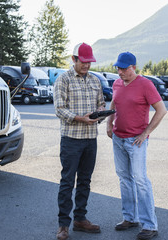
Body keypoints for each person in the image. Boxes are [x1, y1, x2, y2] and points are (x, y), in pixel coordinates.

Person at [106, 52, 167, 240]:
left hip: (136, 140)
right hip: (118, 138)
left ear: (134, 67)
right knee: (124, 178)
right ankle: (130, 218)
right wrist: (109, 123)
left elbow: (161, 110)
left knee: (140, 180)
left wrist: (145, 133)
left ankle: (150, 225)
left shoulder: (145, 85)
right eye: (118, 68)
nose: (120, 72)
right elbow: (113, 104)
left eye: (124, 68)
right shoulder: (117, 83)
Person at [53, 42, 105, 240]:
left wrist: (101, 113)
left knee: (85, 180)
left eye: (89, 62)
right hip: (71, 140)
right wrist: (80, 118)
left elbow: (101, 103)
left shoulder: (94, 80)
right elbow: (60, 109)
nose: (87, 66)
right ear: (74, 59)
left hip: (91, 139)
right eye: (83, 62)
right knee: (67, 181)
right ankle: (63, 225)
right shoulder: (63, 79)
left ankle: (80, 219)